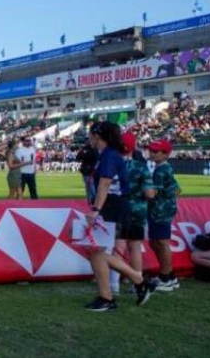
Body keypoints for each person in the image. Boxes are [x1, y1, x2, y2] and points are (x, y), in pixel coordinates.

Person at [82, 121, 154, 312]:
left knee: (97, 252)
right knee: (96, 252)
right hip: (114, 205)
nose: (89, 138)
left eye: (90, 134)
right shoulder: (110, 154)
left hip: (112, 206)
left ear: (97, 136)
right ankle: (110, 294)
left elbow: (105, 184)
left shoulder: (109, 155)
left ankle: (130, 285)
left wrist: (96, 209)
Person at [109, 133, 151, 295]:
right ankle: (137, 283)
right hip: (137, 210)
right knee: (135, 246)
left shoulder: (112, 164)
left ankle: (114, 284)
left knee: (118, 247)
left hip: (118, 208)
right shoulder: (141, 166)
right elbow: (149, 193)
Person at [146, 140, 181, 291]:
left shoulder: (160, 170)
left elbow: (153, 194)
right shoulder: (164, 168)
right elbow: (177, 189)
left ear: (166, 154)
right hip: (162, 210)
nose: (152, 153)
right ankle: (168, 274)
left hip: (160, 211)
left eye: (156, 151)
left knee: (161, 242)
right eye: (151, 150)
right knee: (155, 242)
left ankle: (165, 278)